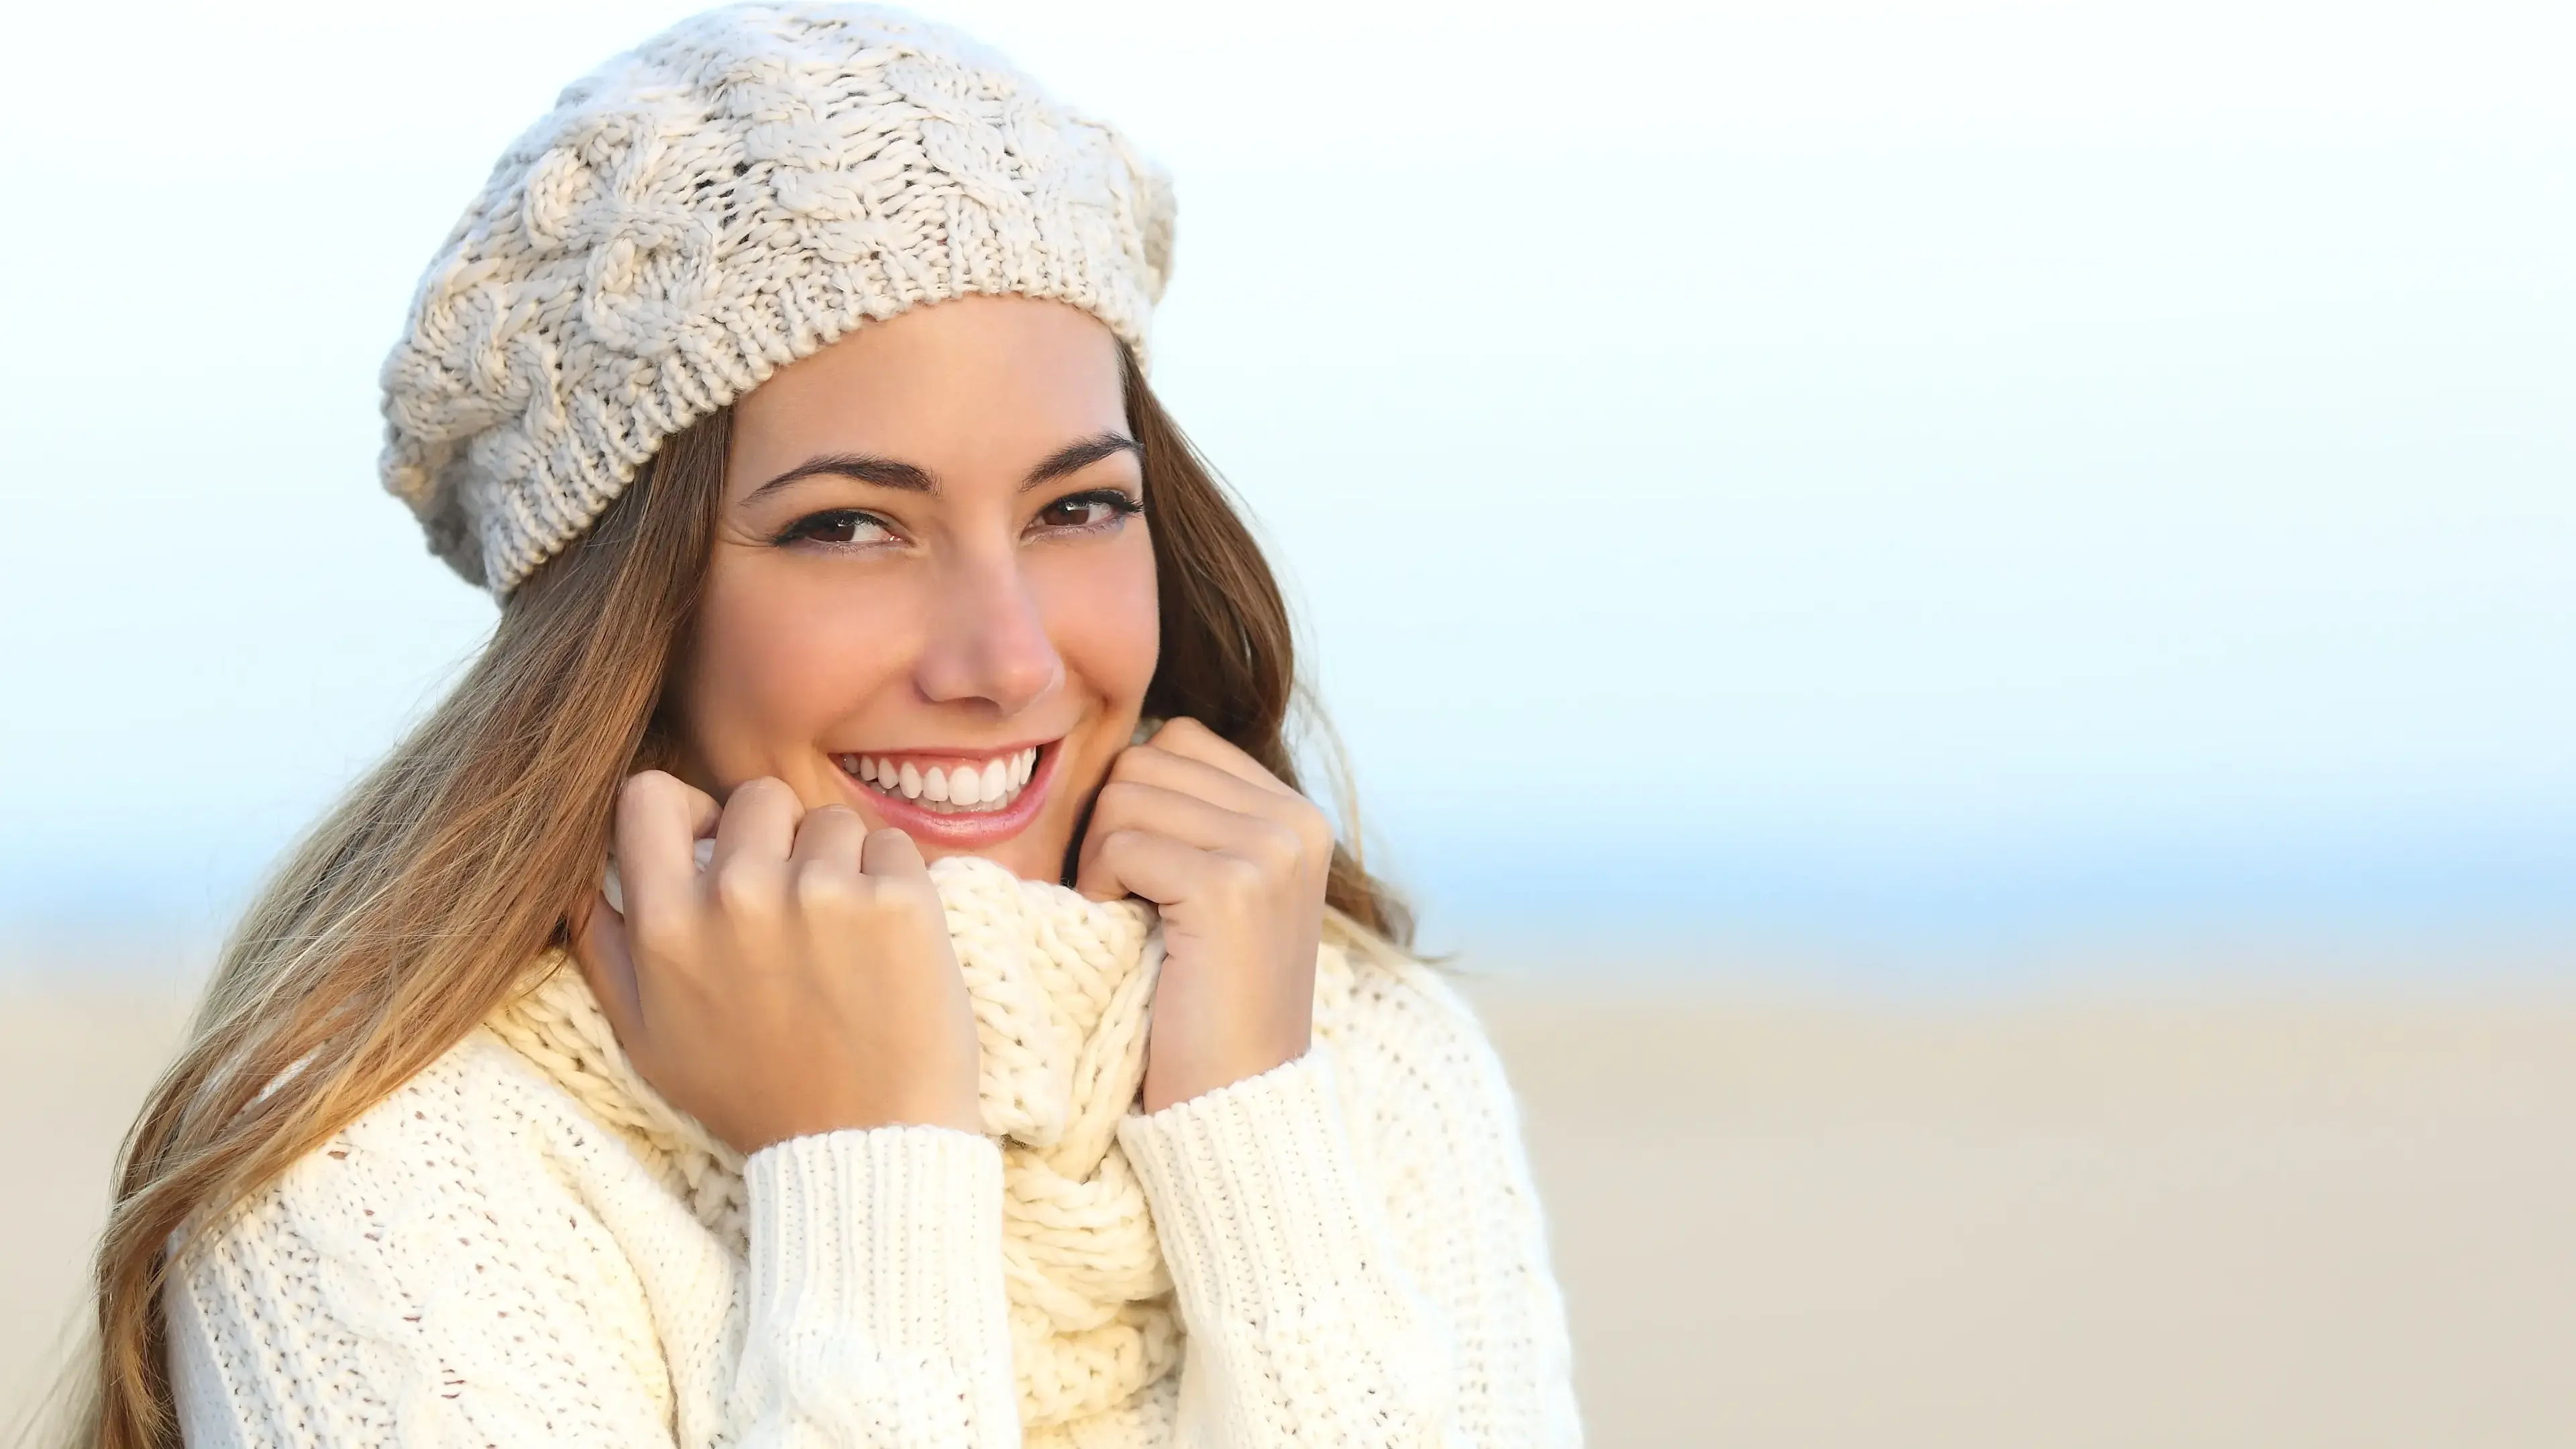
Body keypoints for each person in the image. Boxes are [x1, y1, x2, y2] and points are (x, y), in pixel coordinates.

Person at [74, 5, 1581, 1445]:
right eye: (850, 527)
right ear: (628, 612)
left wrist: (1257, 1142)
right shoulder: (384, 1164)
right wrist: (864, 1166)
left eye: (1078, 508)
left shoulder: (1344, 1044)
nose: (1007, 657)